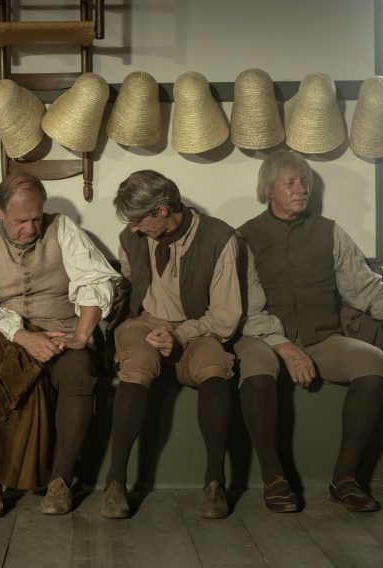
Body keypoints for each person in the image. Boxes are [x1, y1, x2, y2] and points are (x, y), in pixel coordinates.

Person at [235, 150, 383, 513]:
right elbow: (244, 307)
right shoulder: (245, 237)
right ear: (269, 190)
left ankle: (344, 479)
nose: (301, 189)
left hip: (321, 338)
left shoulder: (329, 231)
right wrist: (284, 347)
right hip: (264, 338)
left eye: (305, 182)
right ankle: (274, 479)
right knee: (256, 372)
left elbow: (367, 287)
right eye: (291, 183)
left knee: (374, 365)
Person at [0, 172, 119, 518]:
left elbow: (94, 280)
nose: (31, 228)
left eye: (36, 218)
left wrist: (81, 336)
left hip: (62, 332)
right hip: (6, 337)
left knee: (79, 372)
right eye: (21, 221)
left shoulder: (62, 228)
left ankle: (60, 481)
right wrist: (23, 336)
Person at [103, 170, 244, 520]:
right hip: (146, 323)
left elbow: (225, 315)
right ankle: (115, 483)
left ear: (163, 210)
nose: (134, 228)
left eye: (139, 219)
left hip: (197, 327)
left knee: (214, 365)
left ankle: (214, 483)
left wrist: (181, 335)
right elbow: (130, 282)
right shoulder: (132, 237)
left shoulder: (219, 238)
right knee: (137, 362)